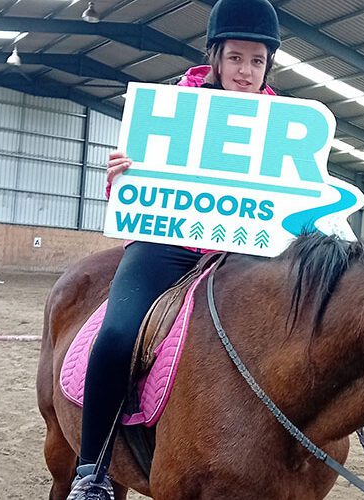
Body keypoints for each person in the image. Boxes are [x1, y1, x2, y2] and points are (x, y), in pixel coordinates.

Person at [67, 0, 280, 498]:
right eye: (235, 58)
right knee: (119, 332)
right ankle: (91, 470)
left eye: (256, 61)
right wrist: (122, 176)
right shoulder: (172, 107)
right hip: (168, 243)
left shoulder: (283, 124)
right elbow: (136, 190)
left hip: (239, 254)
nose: (245, 72)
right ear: (215, 57)